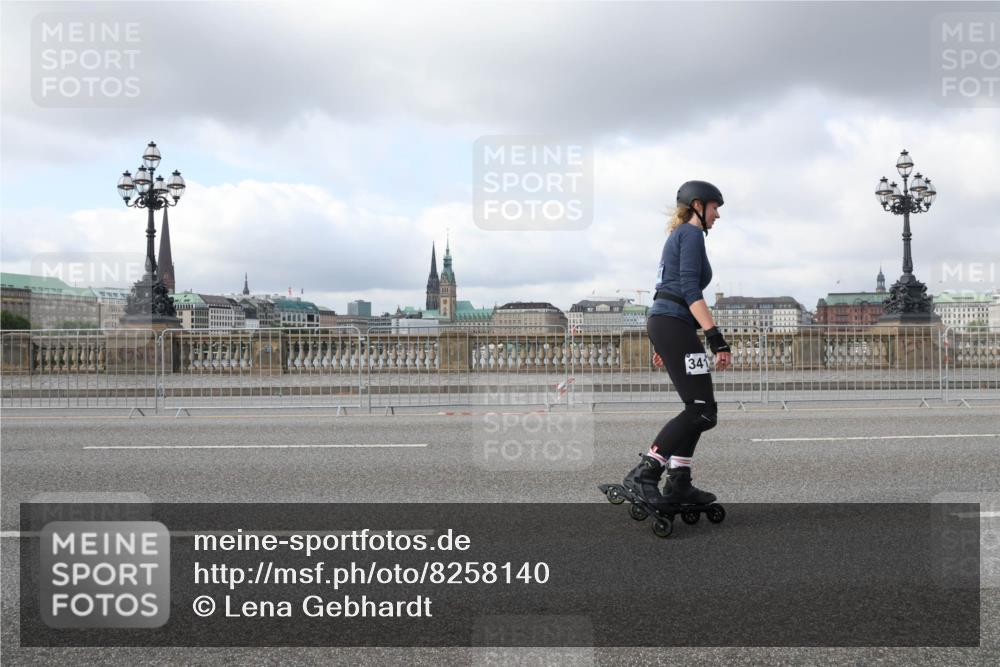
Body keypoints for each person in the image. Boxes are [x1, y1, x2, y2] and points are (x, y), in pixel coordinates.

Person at [622, 180, 733, 508]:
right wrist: (716, 338)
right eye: (715, 208)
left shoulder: (680, 235)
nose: (717, 216)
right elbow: (689, 290)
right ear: (698, 205)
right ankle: (644, 473)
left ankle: (680, 482)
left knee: (699, 409)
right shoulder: (691, 233)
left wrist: (667, 341)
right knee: (702, 409)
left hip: (672, 325)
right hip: (672, 322)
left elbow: (674, 290)